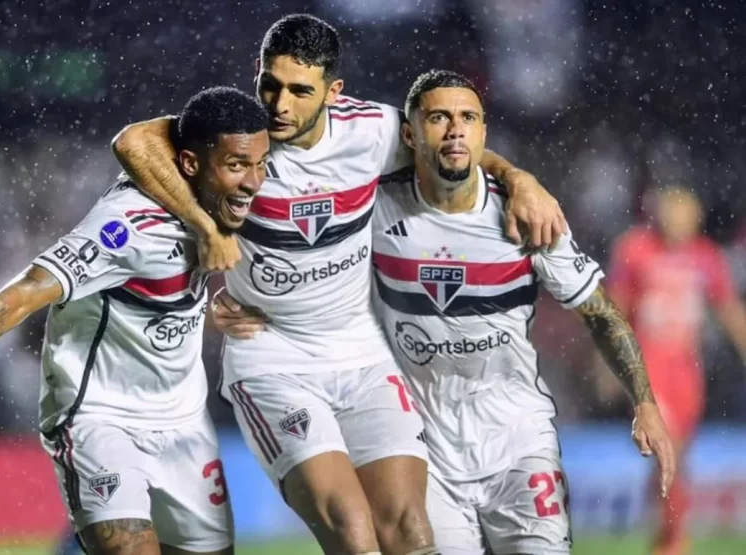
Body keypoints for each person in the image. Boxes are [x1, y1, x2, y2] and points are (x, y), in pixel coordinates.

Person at [111, 14, 567, 555]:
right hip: (273, 360)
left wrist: (520, 178)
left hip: (361, 353)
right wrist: (207, 227)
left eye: (301, 91)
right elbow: (134, 141)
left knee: (412, 534)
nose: (280, 105)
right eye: (270, 84)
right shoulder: (235, 132)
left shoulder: (371, 130)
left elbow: (451, 148)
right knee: (354, 533)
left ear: (334, 91)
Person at [213, 69, 678, 554]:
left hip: (518, 438)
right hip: (424, 447)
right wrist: (240, 300)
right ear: (410, 135)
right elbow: (304, 257)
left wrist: (644, 403)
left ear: (483, 133)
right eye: (439, 117)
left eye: (468, 118)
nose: (455, 129)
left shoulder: (527, 217)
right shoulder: (374, 208)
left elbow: (600, 313)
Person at [0, 86, 271, 555]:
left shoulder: (230, 197)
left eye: (260, 165)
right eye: (237, 166)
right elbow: (24, 293)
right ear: (190, 163)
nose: (254, 180)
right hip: (100, 418)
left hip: (183, 424)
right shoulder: (127, 225)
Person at [604, 186, 746, 555]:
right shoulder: (634, 250)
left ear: (696, 218)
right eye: (672, 213)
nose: (677, 222)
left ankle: (667, 534)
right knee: (669, 449)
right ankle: (674, 540)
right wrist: (606, 363)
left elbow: (728, 308)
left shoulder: (705, 256)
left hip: (687, 372)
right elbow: (614, 310)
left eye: (685, 215)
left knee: (677, 459)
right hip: (648, 369)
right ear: (659, 215)